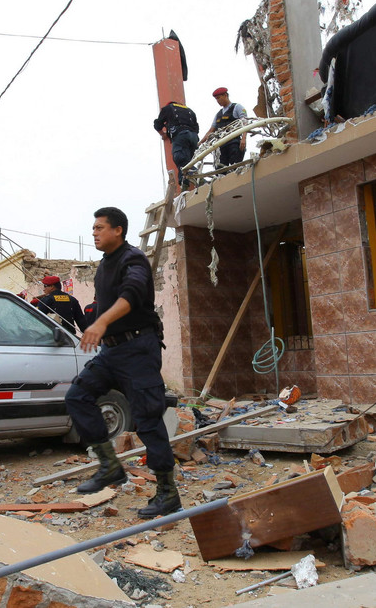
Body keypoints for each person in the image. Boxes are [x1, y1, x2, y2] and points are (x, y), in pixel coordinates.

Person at [66, 207, 179, 518]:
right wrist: (98, 325)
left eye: (100, 227)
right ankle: (110, 466)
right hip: (112, 352)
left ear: (118, 230)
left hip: (138, 348)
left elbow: (131, 293)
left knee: (148, 418)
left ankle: (168, 493)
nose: (94, 233)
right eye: (93, 228)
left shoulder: (133, 259)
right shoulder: (104, 266)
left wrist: (101, 323)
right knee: (77, 396)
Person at [153, 98, 199, 187]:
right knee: (189, 160)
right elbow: (196, 128)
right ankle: (187, 180)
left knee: (180, 158)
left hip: (181, 135)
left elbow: (157, 124)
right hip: (193, 137)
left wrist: (163, 134)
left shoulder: (168, 108)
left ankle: (191, 180)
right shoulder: (190, 111)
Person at [201, 87, 248, 168]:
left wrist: (244, 138)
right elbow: (211, 131)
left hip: (233, 142)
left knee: (235, 166)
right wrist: (200, 143)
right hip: (221, 145)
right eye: (216, 99)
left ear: (225, 95)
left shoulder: (237, 107)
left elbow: (245, 123)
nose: (217, 101)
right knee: (220, 170)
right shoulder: (218, 114)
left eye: (219, 98)